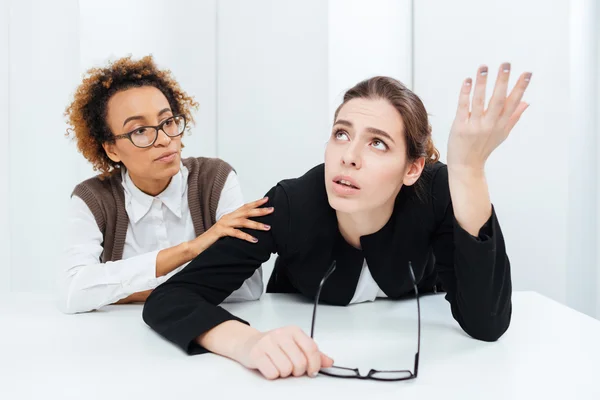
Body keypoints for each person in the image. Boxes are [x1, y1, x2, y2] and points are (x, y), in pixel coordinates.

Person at [142, 64, 531, 380]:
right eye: (341, 134)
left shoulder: (440, 191)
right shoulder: (291, 203)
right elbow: (172, 298)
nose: (349, 156)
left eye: (377, 142)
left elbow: (488, 324)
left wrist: (469, 169)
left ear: (413, 168)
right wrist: (248, 343)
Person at [58, 55, 270, 314]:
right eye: (139, 130)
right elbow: (74, 293)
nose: (163, 139)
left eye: (167, 122)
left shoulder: (215, 178)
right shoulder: (92, 198)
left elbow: (248, 286)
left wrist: (120, 291)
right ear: (111, 149)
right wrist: (191, 249)